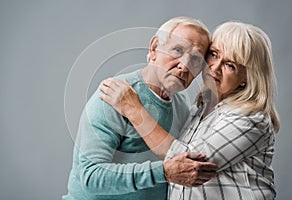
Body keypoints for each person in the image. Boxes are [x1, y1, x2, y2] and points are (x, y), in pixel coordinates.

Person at [100, 21, 280, 199]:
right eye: (214, 55)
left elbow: (187, 164)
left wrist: (133, 109)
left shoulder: (250, 119)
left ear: (248, 77)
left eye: (230, 65)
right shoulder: (199, 109)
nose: (215, 68)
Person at [63, 16, 218, 200]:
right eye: (177, 50)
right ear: (154, 48)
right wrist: (164, 172)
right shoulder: (113, 96)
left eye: (195, 59)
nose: (184, 66)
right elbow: (90, 177)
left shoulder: (182, 104)